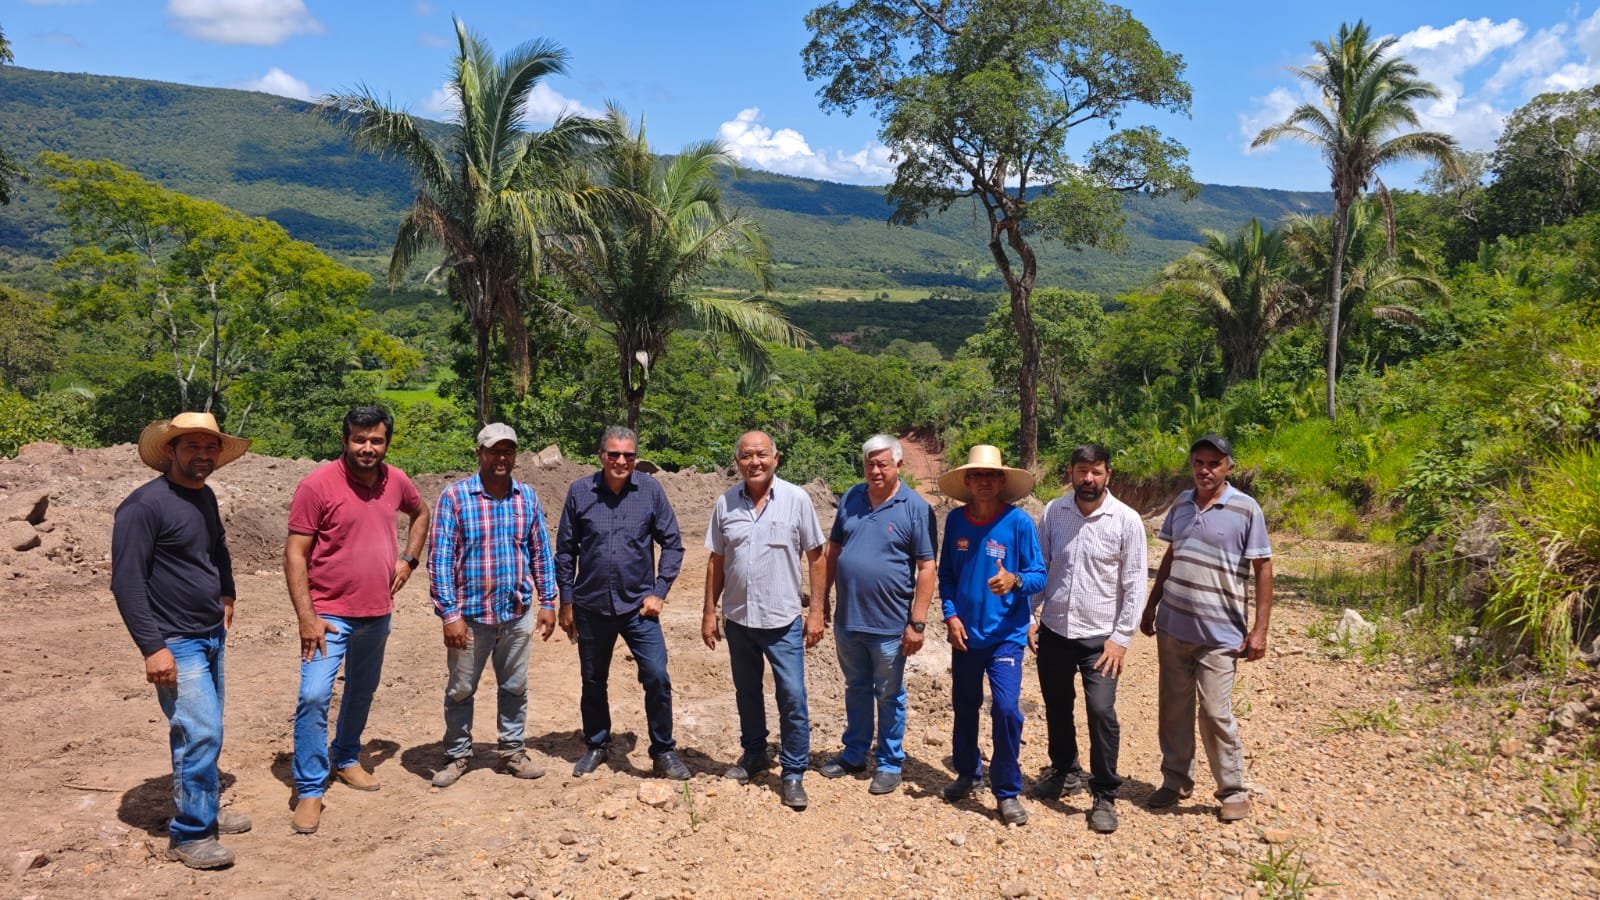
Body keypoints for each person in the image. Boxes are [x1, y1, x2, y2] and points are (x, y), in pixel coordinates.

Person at [111, 412, 253, 869]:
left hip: (211, 634)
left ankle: (201, 809)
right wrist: (153, 647)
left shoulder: (204, 497)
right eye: (192, 447)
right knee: (202, 731)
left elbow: (217, 548)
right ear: (170, 451)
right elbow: (127, 583)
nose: (203, 455)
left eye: (210, 447)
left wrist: (227, 591)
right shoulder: (143, 506)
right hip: (175, 640)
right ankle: (190, 835)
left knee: (197, 732)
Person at [285, 406, 430, 834]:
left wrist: (409, 559)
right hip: (328, 615)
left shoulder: (396, 480)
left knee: (361, 691)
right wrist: (306, 616)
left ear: (386, 442)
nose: (367, 448)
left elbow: (421, 513)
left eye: (376, 440)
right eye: (359, 439)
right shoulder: (317, 485)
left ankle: (346, 757)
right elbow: (296, 552)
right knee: (313, 696)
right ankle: (310, 789)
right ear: (345, 439)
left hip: (377, 612)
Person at [1140, 434, 1273, 822]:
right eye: (1199, 462)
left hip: (1220, 632)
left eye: (1214, 463)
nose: (1205, 470)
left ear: (1229, 466)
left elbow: (1264, 569)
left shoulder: (1247, 510)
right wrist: (1152, 605)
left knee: (1215, 711)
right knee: (1174, 707)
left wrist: (1259, 630)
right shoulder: (1180, 504)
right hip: (1173, 626)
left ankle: (1231, 788)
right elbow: (1171, 555)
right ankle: (1176, 779)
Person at [427, 423, 558, 788]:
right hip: (470, 617)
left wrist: (548, 601)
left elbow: (540, 553)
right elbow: (439, 561)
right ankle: (457, 754)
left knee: (515, 685)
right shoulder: (455, 497)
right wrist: (449, 615)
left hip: (516, 613)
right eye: (494, 450)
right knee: (461, 689)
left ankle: (512, 751)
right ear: (479, 453)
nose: (501, 458)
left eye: (508, 451)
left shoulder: (526, 497)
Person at [701, 431, 826, 810]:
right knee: (747, 692)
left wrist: (817, 610)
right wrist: (709, 611)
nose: (754, 462)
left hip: (782, 619)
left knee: (791, 696)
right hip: (739, 619)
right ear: (737, 462)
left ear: (776, 458)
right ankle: (754, 753)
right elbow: (717, 561)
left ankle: (792, 772)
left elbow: (817, 557)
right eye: (746, 456)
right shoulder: (725, 503)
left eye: (761, 455)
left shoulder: (796, 500)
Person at [556, 426, 689, 780]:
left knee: (657, 676)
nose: (620, 461)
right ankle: (597, 744)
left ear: (635, 458)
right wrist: (565, 602)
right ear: (601, 455)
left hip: (637, 607)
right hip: (591, 605)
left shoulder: (650, 491)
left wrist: (660, 591)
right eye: (614, 454)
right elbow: (566, 551)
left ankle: (663, 750)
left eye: (628, 455)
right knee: (593, 679)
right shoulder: (580, 492)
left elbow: (673, 544)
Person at [1030, 443, 1147, 834]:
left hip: (1101, 640)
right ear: (1071, 473)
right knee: (1057, 705)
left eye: (1096, 471)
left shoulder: (1126, 521)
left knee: (1101, 711)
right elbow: (1041, 568)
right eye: (1082, 471)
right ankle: (1065, 770)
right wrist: (1031, 617)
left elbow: (1134, 584)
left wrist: (1121, 638)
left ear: (1108, 474)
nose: (1088, 479)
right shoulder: (1053, 512)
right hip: (1055, 631)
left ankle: (1105, 793)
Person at [818, 434, 936, 796]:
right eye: (870, 462)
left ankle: (888, 761)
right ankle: (854, 753)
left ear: (898, 465)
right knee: (855, 687)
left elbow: (927, 568)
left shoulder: (915, 507)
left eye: (883, 463)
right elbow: (833, 551)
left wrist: (916, 622)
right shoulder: (852, 498)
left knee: (888, 693)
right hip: (848, 619)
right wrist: (821, 602)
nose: (875, 470)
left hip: (889, 624)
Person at [936, 444, 1046, 826]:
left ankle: (1007, 790)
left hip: (1006, 635)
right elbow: (946, 574)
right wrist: (950, 616)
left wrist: (1014, 580)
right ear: (967, 481)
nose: (984, 481)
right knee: (965, 707)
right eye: (977, 475)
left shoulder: (1018, 523)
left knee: (1005, 708)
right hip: (965, 634)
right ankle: (967, 773)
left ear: (1001, 481)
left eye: (991, 475)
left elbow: (1039, 576)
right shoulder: (955, 521)